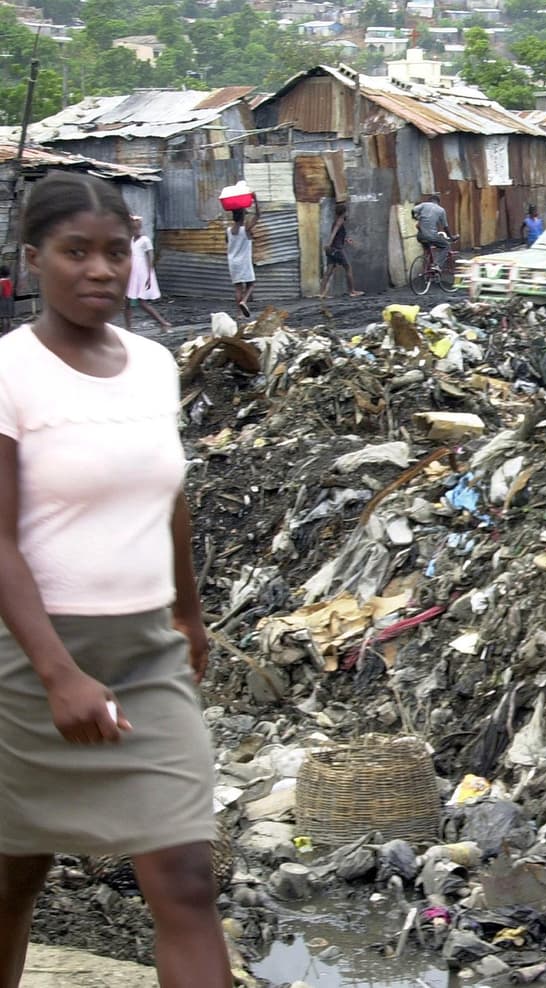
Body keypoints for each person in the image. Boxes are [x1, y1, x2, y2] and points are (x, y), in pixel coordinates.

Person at [0, 171, 232, 987]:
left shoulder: (152, 366)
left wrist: (190, 614)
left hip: (146, 652)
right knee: (11, 877)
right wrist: (58, 673)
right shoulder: (10, 374)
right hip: (30, 663)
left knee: (187, 879)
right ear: (34, 261)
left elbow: (167, 495)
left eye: (115, 252)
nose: (100, 270)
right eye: (76, 252)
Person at [124, 217, 170, 332]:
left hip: (142, 272)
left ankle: (163, 323)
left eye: (136, 228)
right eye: (132, 228)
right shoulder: (130, 240)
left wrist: (149, 276)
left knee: (142, 302)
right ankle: (128, 328)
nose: (135, 231)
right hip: (132, 272)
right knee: (127, 301)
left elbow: (150, 257)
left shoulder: (145, 240)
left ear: (139, 228)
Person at [318, 203, 363, 300]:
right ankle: (352, 291)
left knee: (328, 272)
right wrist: (328, 244)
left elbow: (338, 234)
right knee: (348, 268)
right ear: (343, 212)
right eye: (346, 212)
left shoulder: (336, 221)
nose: (347, 213)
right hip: (337, 249)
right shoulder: (340, 221)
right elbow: (333, 233)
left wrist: (346, 239)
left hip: (333, 250)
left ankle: (321, 294)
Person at [225, 201, 259, 319]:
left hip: (232, 262)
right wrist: (256, 200)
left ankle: (239, 314)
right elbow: (258, 216)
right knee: (251, 284)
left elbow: (228, 242)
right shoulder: (245, 230)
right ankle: (244, 301)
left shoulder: (228, 231)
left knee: (238, 287)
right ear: (243, 216)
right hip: (244, 261)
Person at [412, 192, 450, 271]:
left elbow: (413, 210)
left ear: (430, 201)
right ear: (438, 202)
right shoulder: (441, 210)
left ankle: (428, 265)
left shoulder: (424, 205)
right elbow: (445, 226)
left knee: (428, 249)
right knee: (445, 246)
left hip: (420, 236)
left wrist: (415, 218)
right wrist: (451, 236)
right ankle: (437, 265)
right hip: (431, 236)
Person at [0, 265, 13, 335]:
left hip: (3, 300)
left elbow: (0, 292)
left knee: (3, 317)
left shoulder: (1, 282)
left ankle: (4, 333)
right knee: (8, 317)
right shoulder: (9, 281)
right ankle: (9, 332)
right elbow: (11, 291)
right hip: (9, 300)